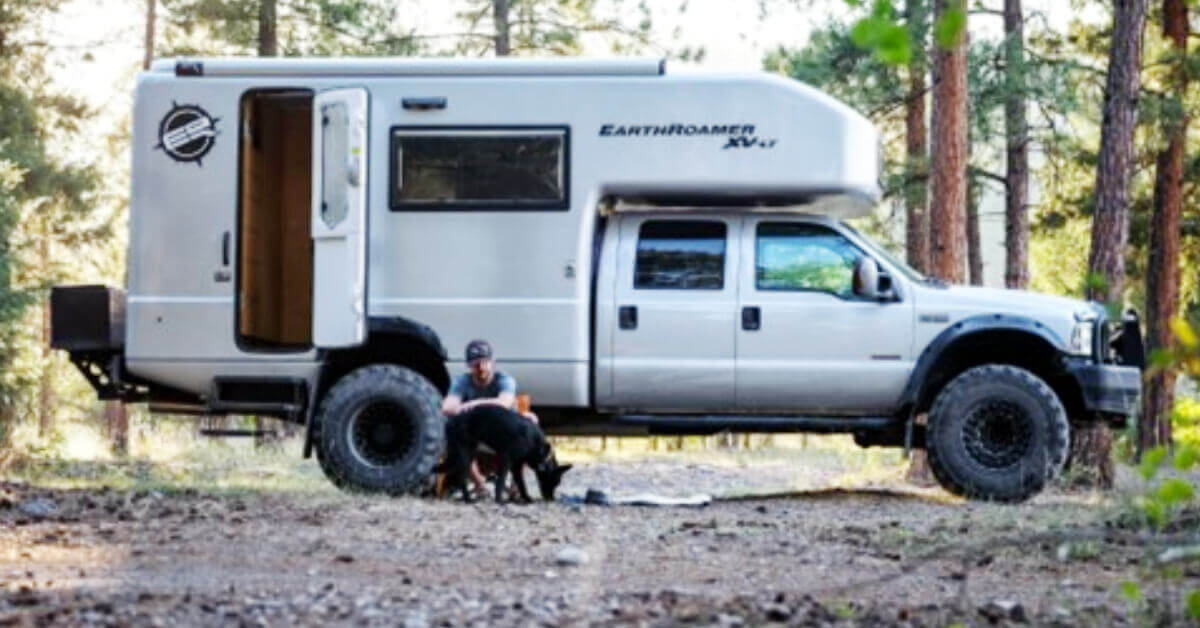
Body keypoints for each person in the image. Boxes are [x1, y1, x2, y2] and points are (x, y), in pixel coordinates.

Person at [441, 339, 534, 496]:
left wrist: (475, 404)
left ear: (493, 362)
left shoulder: (504, 380)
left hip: (506, 436)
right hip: (477, 436)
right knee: (454, 430)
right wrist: (462, 408)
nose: (481, 367)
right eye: (476, 364)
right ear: (469, 366)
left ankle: (516, 486)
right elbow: (447, 407)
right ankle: (480, 485)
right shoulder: (462, 382)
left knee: (531, 420)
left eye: (485, 362)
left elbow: (504, 403)